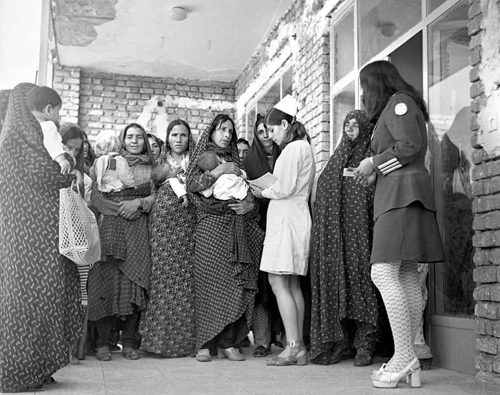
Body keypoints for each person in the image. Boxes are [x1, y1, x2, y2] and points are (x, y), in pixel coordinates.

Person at [353, 60, 444, 388]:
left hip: (402, 199)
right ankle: (407, 358)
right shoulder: (397, 105)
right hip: (400, 197)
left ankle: (404, 356)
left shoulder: (398, 102)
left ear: (376, 83)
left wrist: (373, 163)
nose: (363, 95)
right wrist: (375, 169)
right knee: (403, 273)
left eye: (364, 87)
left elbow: (410, 147)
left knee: (383, 272)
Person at [0, 83, 82, 392]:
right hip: (26, 236)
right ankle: (18, 372)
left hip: (40, 232)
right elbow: (45, 173)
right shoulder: (18, 139)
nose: (58, 117)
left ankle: (39, 365)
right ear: (45, 108)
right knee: (28, 299)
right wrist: (67, 171)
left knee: (47, 297)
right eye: (58, 110)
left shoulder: (27, 134)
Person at [186, 114, 264, 362]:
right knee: (208, 283)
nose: (227, 134)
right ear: (211, 133)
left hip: (236, 227)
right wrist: (219, 170)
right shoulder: (203, 159)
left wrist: (249, 205)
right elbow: (191, 184)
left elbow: (250, 191)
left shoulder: (238, 161)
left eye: (230, 130)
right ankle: (205, 343)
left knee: (234, 283)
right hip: (209, 227)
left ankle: (228, 342)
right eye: (222, 129)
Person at [309, 110, 380, 367]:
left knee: (362, 282)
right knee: (341, 286)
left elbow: (375, 196)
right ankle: (344, 343)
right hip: (337, 238)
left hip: (363, 234)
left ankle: (366, 343)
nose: (350, 128)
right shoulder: (336, 158)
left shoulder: (371, 160)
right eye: (346, 124)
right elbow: (322, 194)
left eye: (355, 125)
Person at [250, 95, 316, 366]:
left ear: (286, 125)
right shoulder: (305, 147)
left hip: (287, 221)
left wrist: (259, 190)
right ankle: (297, 345)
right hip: (295, 219)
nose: (271, 135)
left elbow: (283, 187)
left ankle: (293, 346)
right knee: (291, 285)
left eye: (274, 128)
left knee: (279, 283)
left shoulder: (292, 150)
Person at [87, 122, 155, 362]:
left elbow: (158, 195)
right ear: (122, 140)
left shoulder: (153, 167)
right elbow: (95, 195)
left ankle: (128, 342)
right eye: (130, 137)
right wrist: (119, 208)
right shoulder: (107, 161)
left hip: (138, 228)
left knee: (135, 281)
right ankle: (103, 342)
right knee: (104, 281)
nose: (135, 141)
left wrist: (139, 203)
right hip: (111, 226)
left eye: (139, 137)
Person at [139, 119, 197, 357]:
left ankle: (184, 343)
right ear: (168, 138)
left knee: (185, 281)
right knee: (162, 280)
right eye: (174, 134)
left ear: (188, 138)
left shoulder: (196, 163)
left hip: (188, 227)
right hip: (163, 229)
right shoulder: (160, 164)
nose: (179, 139)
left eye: (183, 135)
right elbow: (152, 192)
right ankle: (158, 343)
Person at [242, 114, 283, 357]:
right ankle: (262, 340)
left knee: (286, 280)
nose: (267, 136)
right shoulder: (250, 161)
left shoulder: (286, 155)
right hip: (259, 228)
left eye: (269, 130)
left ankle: (287, 336)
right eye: (260, 132)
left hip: (284, 222)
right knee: (262, 286)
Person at [26, 86, 75, 174]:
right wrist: (62, 160)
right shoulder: (49, 125)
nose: (59, 116)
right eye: (58, 111)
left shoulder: (28, 126)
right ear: (48, 109)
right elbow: (51, 143)